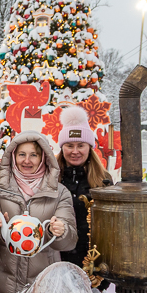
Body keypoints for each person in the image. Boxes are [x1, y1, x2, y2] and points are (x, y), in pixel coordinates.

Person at [0, 131, 77, 293]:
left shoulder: (59, 193)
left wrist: (59, 231)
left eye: (34, 155)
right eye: (22, 154)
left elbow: (69, 241)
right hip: (1, 284)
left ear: (43, 158)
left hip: (43, 285)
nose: (27, 161)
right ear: (13, 156)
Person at [55, 105, 111, 270]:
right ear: (62, 147)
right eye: (69, 145)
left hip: (93, 261)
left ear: (89, 147)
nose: (75, 151)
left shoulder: (103, 179)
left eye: (81, 145)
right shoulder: (51, 177)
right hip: (57, 259)